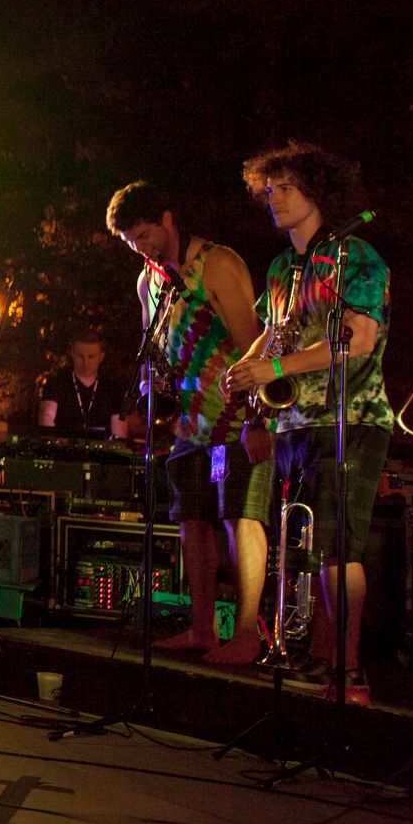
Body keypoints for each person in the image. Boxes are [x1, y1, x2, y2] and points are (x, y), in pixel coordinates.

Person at [222, 143, 391, 703]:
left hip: (352, 417)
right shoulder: (281, 268)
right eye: (268, 190)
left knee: (341, 546)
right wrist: (246, 370)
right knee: (308, 547)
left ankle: (349, 669)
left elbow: (357, 340)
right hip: (294, 421)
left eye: (286, 188)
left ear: (317, 191)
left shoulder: (355, 257)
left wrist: (273, 367)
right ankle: (317, 657)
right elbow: (273, 333)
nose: (274, 198)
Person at [108, 181, 271, 663]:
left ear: (167, 220)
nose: (140, 247)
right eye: (130, 242)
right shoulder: (149, 281)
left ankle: (246, 634)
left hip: (236, 414)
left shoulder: (216, 264)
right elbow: (154, 347)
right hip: (191, 422)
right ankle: (203, 629)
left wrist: (258, 417)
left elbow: (256, 343)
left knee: (239, 517)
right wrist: (151, 388)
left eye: (144, 235)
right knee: (191, 522)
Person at [36, 329, 128, 438]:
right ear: (72, 354)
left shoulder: (113, 389)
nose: (85, 363)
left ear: (101, 357)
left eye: (91, 356)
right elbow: (46, 418)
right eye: (80, 356)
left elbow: (119, 434)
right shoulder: (56, 383)